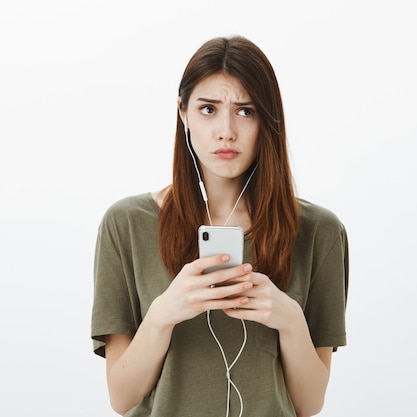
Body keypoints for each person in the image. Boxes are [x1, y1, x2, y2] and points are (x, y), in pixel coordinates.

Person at [90, 35, 349, 417]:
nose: (226, 130)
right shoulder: (126, 224)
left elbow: (309, 405)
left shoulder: (320, 232)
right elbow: (122, 397)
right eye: (208, 109)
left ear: (267, 119)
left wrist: (290, 320)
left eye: (246, 111)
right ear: (184, 114)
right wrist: (165, 313)